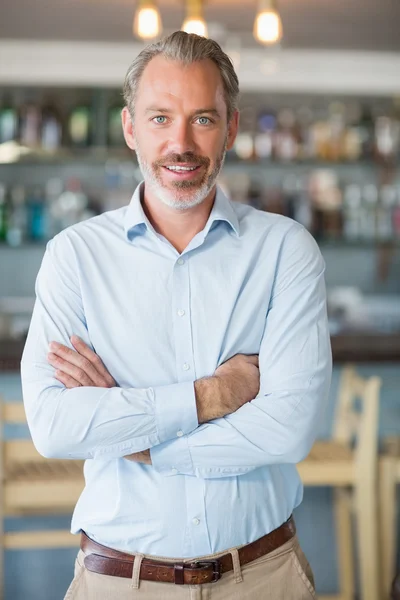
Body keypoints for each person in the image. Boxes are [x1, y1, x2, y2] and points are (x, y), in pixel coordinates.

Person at [21, 31, 332, 599]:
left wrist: (134, 438)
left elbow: (288, 430)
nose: (180, 143)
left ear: (232, 128)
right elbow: (55, 425)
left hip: (263, 578)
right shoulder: (74, 256)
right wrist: (213, 395)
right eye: (161, 118)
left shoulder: (285, 250)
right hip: (120, 582)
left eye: (203, 120)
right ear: (130, 128)